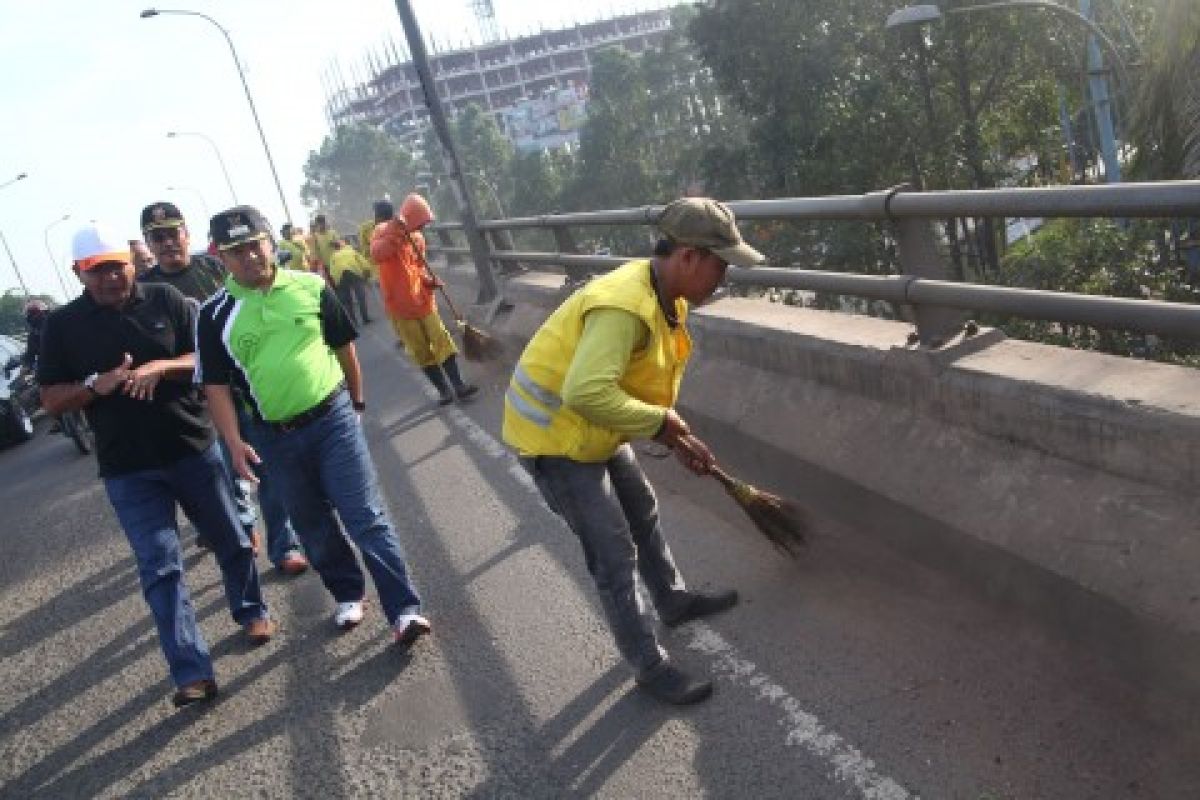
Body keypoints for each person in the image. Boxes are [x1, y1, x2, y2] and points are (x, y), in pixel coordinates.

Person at [502, 197, 763, 705]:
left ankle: (671, 599)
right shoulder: (625, 307)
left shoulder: (666, 297)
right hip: (556, 441)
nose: (724, 278)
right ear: (688, 257)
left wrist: (672, 431)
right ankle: (649, 666)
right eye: (720, 264)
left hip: (594, 430)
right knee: (614, 554)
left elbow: (633, 381)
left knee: (642, 510)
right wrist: (659, 425)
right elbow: (584, 392)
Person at [38, 223, 274, 707]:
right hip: (129, 470)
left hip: (192, 448)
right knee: (160, 567)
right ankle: (191, 671)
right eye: (96, 271)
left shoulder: (165, 299)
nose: (108, 279)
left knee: (231, 539)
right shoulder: (63, 326)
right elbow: (50, 399)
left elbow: (207, 359)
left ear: (131, 262)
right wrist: (93, 385)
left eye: (115, 267)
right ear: (79, 274)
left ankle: (250, 609)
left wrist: (158, 367)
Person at [197, 205, 430, 643]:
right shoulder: (213, 315)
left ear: (270, 243)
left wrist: (356, 403)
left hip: (332, 418)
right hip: (273, 437)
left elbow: (344, 348)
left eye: (254, 244)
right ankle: (348, 592)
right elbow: (216, 388)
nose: (249, 256)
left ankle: (404, 610)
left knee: (364, 516)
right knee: (313, 526)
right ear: (221, 259)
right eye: (236, 251)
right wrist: (233, 444)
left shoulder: (310, 285)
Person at [139, 201, 308, 576]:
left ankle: (285, 546)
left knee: (267, 470)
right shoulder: (147, 291)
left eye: (173, 234)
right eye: (158, 237)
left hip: (246, 389)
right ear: (148, 244)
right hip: (196, 403)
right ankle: (244, 539)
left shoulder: (215, 268)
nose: (167, 243)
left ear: (187, 235)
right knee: (226, 481)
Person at [370, 195, 477, 406]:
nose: (424, 228)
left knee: (442, 341)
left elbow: (417, 268)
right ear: (411, 218)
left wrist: (429, 281)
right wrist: (396, 232)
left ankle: (458, 386)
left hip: (423, 300)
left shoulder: (417, 238)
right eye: (421, 223)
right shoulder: (382, 231)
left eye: (426, 224)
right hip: (400, 307)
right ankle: (444, 391)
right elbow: (377, 254)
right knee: (420, 350)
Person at [328, 237, 373, 325]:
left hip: (341, 276)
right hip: (354, 273)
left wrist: (336, 282)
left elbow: (332, 272)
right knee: (360, 296)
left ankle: (353, 321)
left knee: (347, 300)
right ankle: (365, 317)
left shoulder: (333, 257)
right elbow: (364, 264)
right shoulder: (351, 251)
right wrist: (367, 276)